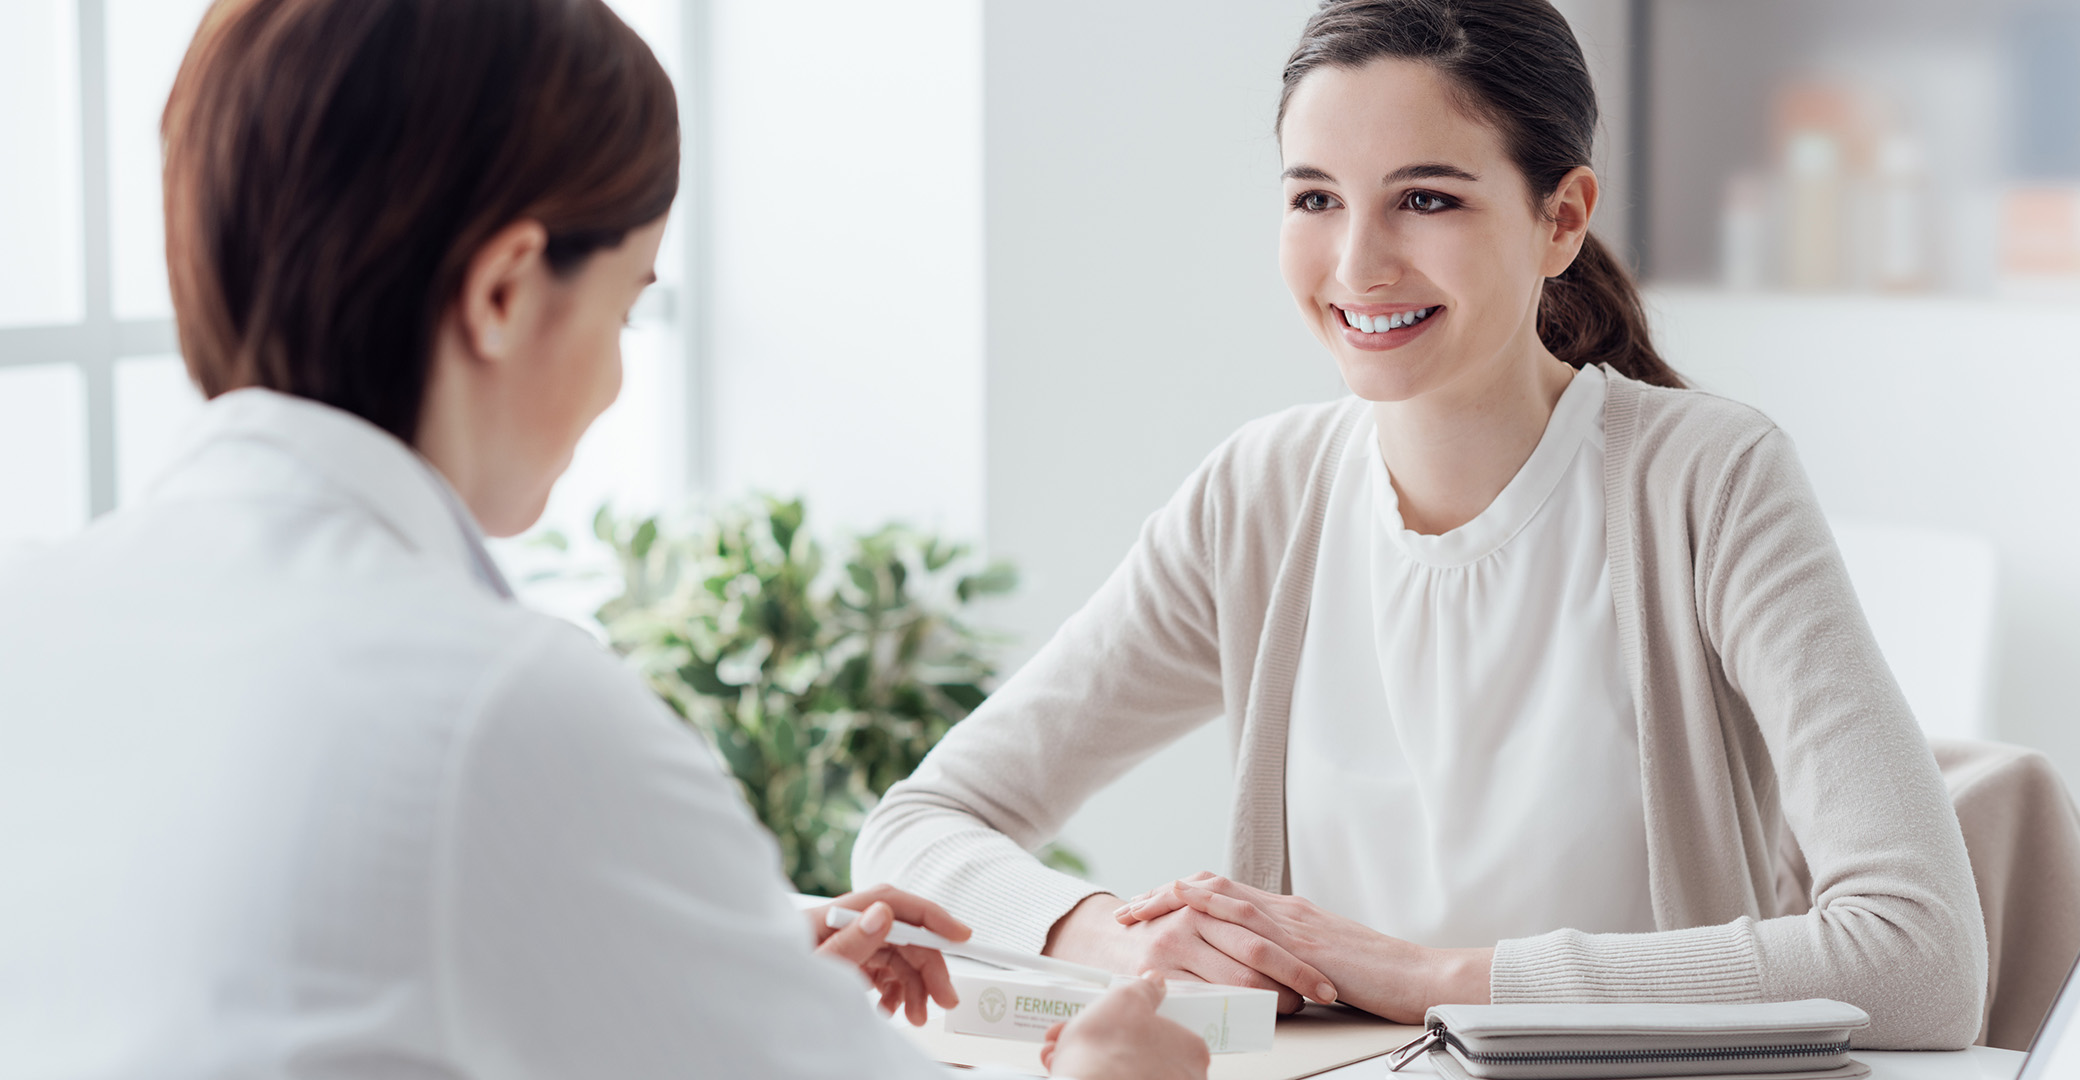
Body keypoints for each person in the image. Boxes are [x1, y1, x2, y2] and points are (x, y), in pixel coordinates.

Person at [0, 1, 1209, 1077]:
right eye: (625, 302)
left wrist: (695, 954)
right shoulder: (502, 709)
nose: (618, 383)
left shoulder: (35, 618)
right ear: (504, 292)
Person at [853, 0, 1987, 1051]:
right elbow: (921, 822)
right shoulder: (1261, 494)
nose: (1356, 264)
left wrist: (1422, 973)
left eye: (1427, 198)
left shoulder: (1706, 480)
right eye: (1314, 198)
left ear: (1561, 219)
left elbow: (1922, 961)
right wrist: (1111, 934)